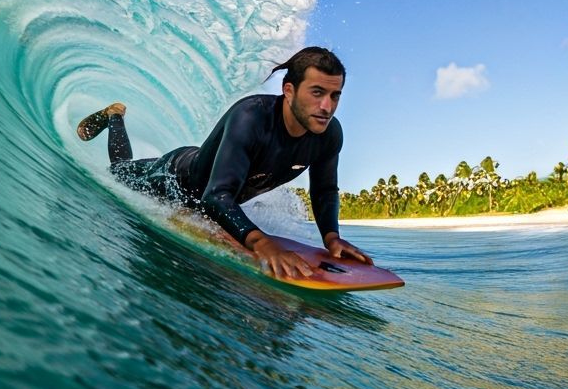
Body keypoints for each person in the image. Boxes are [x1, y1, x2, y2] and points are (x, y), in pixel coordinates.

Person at [76, 46, 372, 279]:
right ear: (289, 89)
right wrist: (260, 242)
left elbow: (324, 190)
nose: (327, 107)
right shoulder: (251, 117)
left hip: (210, 188)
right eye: (317, 92)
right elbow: (216, 196)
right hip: (173, 179)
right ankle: (115, 116)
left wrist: (332, 238)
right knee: (119, 171)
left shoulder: (329, 135)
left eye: (335, 95)